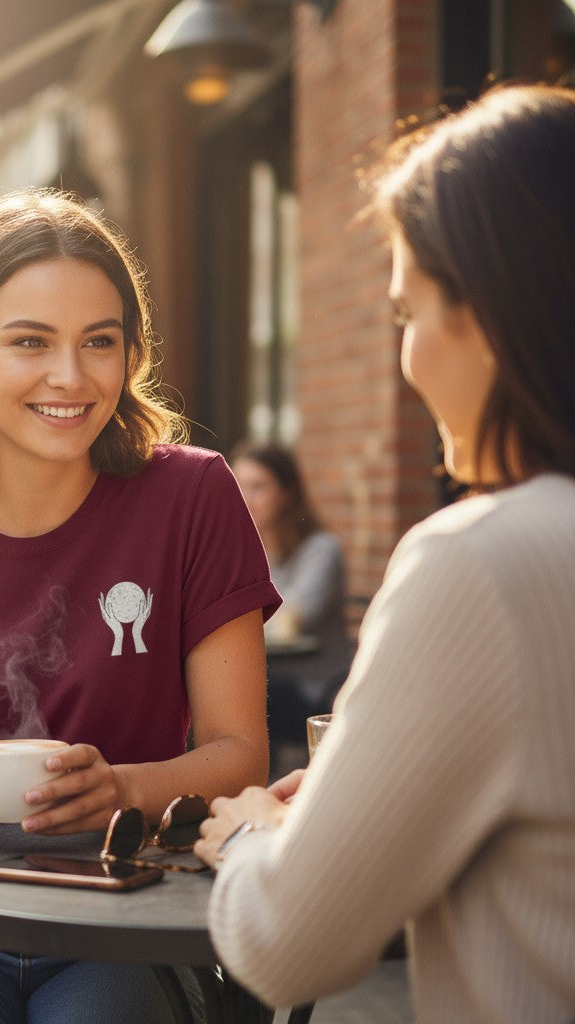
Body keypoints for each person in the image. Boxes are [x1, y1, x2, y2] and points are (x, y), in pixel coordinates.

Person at [0, 189, 281, 1024]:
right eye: (30, 341)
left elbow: (241, 755)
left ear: (131, 353)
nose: (71, 377)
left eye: (99, 342)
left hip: (129, 915)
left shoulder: (194, 496)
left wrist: (122, 791)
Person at [196, 83, 575, 1023]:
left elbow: (289, 947)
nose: (405, 359)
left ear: (486, 312)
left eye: (407, 314)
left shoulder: (482, 564)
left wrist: (252, 836)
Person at [229, 441, 353, 753]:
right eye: (238, 485)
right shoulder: (244, 551)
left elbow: (292, 622)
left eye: (258, 487)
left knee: (232, 687)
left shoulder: (320, 549)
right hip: (268, 677)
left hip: (314, 690)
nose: (245, 498)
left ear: (287, 492)